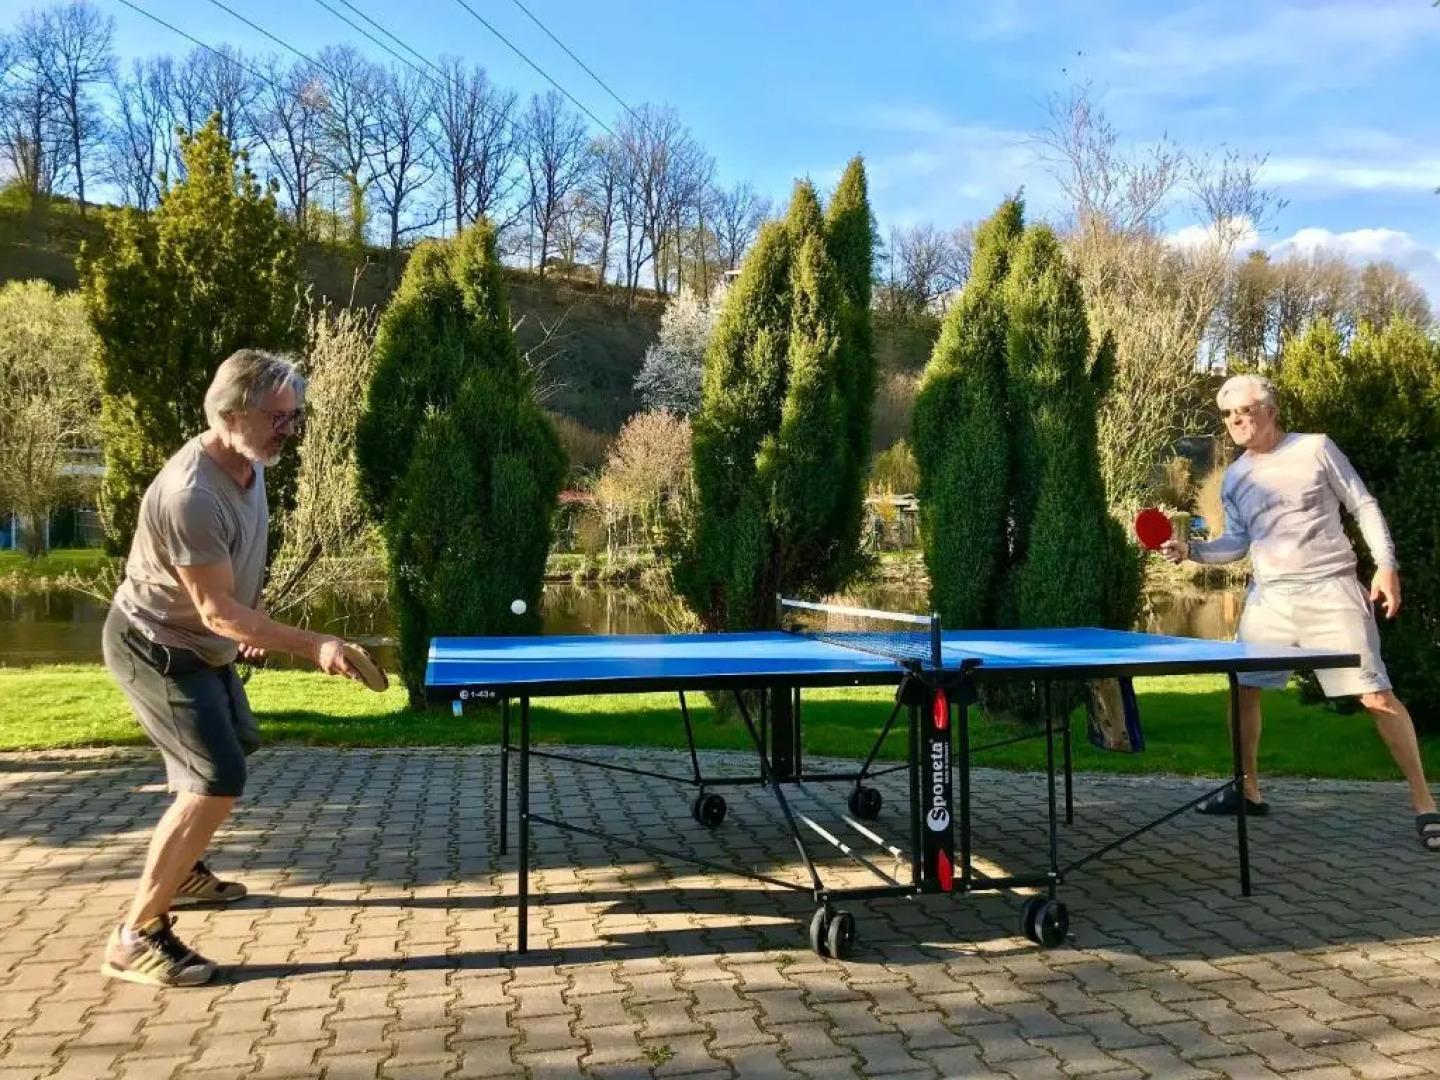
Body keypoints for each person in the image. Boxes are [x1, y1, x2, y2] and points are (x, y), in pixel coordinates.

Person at [100, 349, 366, 987]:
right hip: (157, 647)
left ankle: (182, 871)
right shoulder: (191, 494)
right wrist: (313, 644)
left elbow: (235, 579)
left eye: (294, 416)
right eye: (278, 417)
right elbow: (215, 611)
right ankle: (136, 936)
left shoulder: (250, 464)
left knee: (233, 741)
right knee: (215, 777)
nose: (288, 430)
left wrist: (254, 617)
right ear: (230, 413)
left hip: (202, 642)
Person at [1162, 373, 1437, 853]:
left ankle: (1425, 804)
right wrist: (1192, 551)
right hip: (1270, 598)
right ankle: (1248, 790)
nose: (1235, 421)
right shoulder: (1236, 476)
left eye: (1244, 411)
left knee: (1376, 696)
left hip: (1331, 592)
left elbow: (1363, 505)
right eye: (1227, 415)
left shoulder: (1316, 448)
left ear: (1270, 410)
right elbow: (1238, 543)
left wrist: (1386, 565)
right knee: (1243, 690)